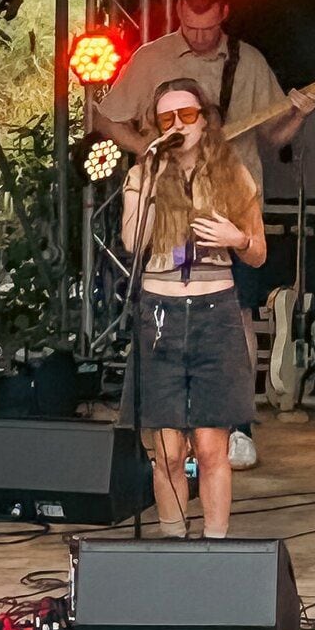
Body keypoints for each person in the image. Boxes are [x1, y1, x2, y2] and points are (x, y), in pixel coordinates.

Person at [93, 0, 315, 470]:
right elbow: (104, 117)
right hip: (167, 205)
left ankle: (237, 425)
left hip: (228, 198)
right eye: (188, 28)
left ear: (224, 13)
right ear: (179, 17)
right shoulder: (151, 58)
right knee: (164, 312)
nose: (197, 38)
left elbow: (274, 137)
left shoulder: (248, 62)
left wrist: (299, 113)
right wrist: (147, 155)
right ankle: (174, 429)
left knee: (236, 311)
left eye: (207, 29)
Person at [120, 79, 267, 539]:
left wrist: (237, 239)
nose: (179, 125)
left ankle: (216, 546)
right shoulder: (142, 174)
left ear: (204, 121)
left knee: (209, 446)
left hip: (214, 312)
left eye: (187, 116)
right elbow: (131, 242)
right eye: (167, 119)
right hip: (160, 314)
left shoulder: (233, 173)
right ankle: (173, 543)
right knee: (166, 450)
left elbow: (259, 251)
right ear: (156, 127)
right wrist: (146, 178)